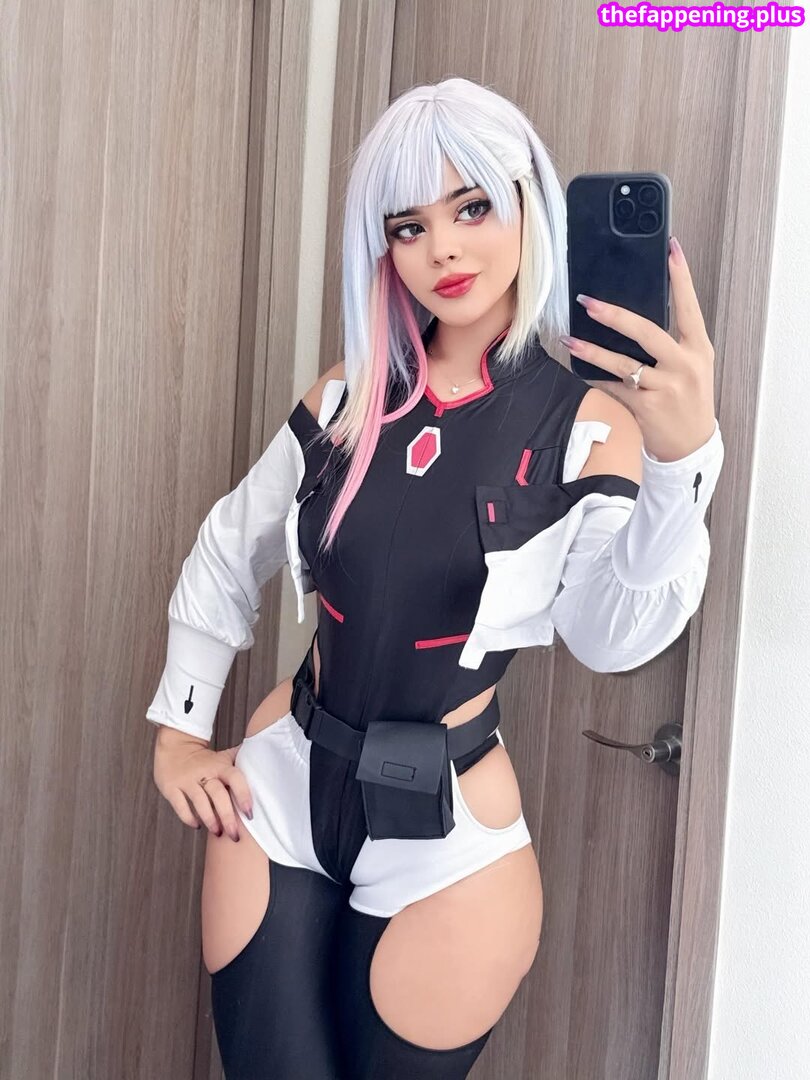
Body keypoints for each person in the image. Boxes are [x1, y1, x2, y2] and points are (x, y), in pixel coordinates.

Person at [147, 76, 724, 1079]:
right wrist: (180, 731)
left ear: (529, 203)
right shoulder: (348, 398)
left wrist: (683, 465)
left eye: (473, 207)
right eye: (408, 227)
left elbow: (609, 637)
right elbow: (227, 547)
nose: (443, 250)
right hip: (280, 791)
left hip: (450, 833)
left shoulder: (589, 425)